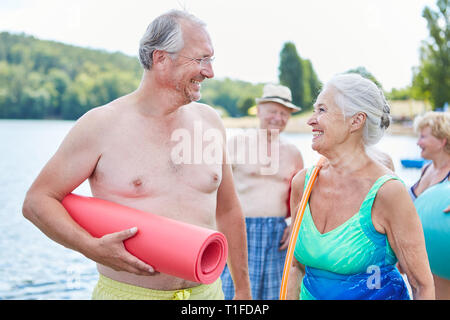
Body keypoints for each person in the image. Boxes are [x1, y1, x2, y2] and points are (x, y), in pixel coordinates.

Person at [22, 9, 252, 300]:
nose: (210, 72)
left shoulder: (211, 122)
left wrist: (243, 290)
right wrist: (90, 247)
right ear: (161, 59)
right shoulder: (101, 125)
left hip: (207, 295)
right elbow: (37, 201)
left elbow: (229, 210)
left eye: (211, 59)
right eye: (200, 59)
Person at [287, 73, 435, 300]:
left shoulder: (388, 192)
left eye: (322, 110)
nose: (311, 120)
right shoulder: (302, 183)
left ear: (356, 121)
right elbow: (295, 268)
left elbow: (422, 286)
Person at [221, 84, 304, 300]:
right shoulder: (236, 143)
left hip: (277, 234)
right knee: (234, 294)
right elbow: (216, 189)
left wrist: (294, 223)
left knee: (276, 295)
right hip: (239, 229)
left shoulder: (293, 153)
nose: (278, 117)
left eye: (284, 113)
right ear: (259, 111)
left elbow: (301, 196)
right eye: (273, 111)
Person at [409, 111, 450, 299]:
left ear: (442, 140)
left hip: (441, 264)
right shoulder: (426, 168)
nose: (418, 142)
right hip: (417, 260)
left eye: (423, 136)